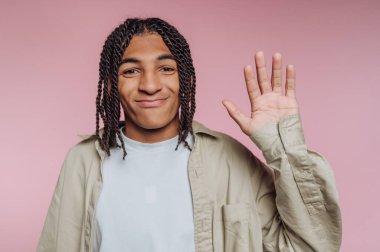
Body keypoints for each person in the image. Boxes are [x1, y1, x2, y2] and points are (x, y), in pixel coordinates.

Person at [36, 17, 342, 252]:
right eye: (131, 71)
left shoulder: (230, 160)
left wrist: (284, 148)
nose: (150, 85)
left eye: (166, 68)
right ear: (111, 83)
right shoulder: (82, 162)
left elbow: (312, 246)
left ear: (187, 78)